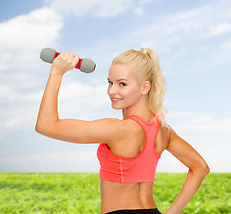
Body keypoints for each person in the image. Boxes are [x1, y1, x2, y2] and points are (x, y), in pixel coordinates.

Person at [35, 48, 210, 214]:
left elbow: (46, 126)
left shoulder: (119, 130)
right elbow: (200, 167)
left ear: (145, 87)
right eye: (110, 82)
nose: (112, 91)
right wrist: (172, 212)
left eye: (122, 84)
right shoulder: (163, 130)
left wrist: (57, 72)